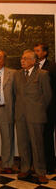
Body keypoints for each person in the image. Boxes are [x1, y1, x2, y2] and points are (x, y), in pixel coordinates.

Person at [14, 50, 52, 184]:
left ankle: (40, 171)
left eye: (25, 58)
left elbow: (47, 96)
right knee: (22, 143)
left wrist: (38, 110)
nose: (22, 60)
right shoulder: (17, 74)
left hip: (36, 116)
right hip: (20, 116)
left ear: (33, 61)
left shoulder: (43, 74)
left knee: (37, 145)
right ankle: (25, 168)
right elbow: (15, 95)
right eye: (21, 58)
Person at [34, 43, 56, 174]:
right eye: (34, 50)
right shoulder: (32, 67)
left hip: (49, 109)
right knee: (36, 137)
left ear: (45, 53)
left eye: (38, 50)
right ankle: (36, 164)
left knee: (47, 137)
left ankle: (49, 166)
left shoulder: (52, 67)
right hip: (34, 109)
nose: (35, 53)